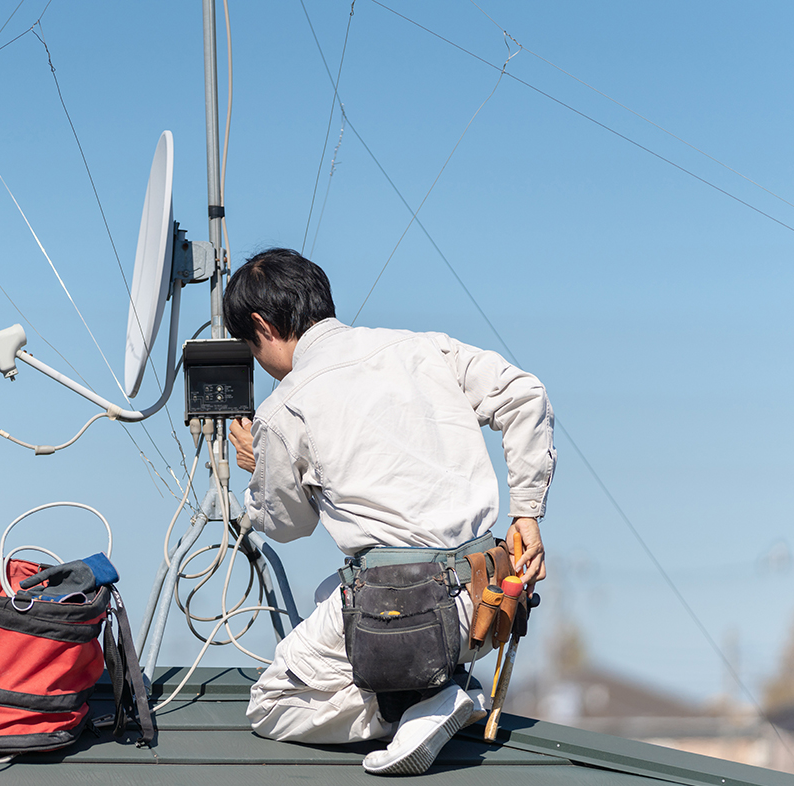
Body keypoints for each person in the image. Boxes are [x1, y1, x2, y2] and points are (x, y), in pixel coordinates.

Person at [224, 248, 555, 776]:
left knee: (270, 703)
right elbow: (525, 393)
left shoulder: (284, 407)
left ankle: (412, 706)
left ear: (262, 325)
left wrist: (256, 467)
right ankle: (434, 690)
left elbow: (288, 525)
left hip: (400, 613)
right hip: (484, 595)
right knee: (327, 594)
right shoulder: (424, 347)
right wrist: (527, 513)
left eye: (249, 343)